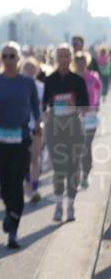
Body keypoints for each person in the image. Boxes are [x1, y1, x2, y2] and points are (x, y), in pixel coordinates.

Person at [0, 42, 41, 248]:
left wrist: (38, 123)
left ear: (19, 59)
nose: (8, 60)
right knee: (5, 183)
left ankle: (13, 228)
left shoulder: (27, 83)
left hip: (21, 138)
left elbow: (35, 105)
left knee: (16, 182)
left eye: (12, 56)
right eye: (5, 56)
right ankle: (10, 210)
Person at [43, 44, 90, 222]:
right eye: (60, 56)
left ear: (70, 58)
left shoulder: (78, 80)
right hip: (55, 130)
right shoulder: (50, 79)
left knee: (73, 168)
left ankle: (70, 205)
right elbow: (44, 103)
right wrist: (46, 111)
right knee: (58, 169)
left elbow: (86, 104)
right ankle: (58, 206)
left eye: (66, 56)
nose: (63, 59)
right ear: (56, 58)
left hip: (74, 130)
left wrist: (76, 106)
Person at [74, 51, 102, 189]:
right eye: (77, 62)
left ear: (87, 62)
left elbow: (99, 92)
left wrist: (96, 106)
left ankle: (85, 175)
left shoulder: (93, 77)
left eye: (82, 62)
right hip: (75, 117)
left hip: (90, 116)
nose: (80, 64)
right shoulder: (71, 78)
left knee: (86, 146)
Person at [22, 57, 47, 202]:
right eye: (27, 67)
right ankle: (28, 184)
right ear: (22, 70)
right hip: (22, 128)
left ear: (37, 70)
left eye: (32, 68)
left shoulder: (42, 87)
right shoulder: (18, 87)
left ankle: (34, 189)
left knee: (35, 159)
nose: (30, 70)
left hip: (37, 126)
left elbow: (45, 107)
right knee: (25, 160)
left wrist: (43, 120)